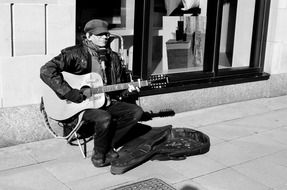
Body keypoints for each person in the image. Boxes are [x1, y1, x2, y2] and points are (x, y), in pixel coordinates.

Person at [40, 19, 143, 167]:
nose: (104, 37)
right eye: (99, 35)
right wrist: (69, 92)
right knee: (104, 117)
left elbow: (117, 87)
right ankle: (99, 155)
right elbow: (46, 70)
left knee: (136, 112)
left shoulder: (113, 58)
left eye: (106, 34)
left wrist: (128, 90)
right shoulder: (74, 53)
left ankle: (105, 146)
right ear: (88, 36)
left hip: (104, 100)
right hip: (79, 106)